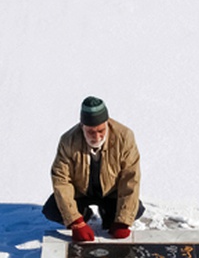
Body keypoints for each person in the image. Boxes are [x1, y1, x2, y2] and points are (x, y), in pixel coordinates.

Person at [42, 96, 145, 242]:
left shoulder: (125, 137)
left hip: (111, 192)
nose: (96, 137)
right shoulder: (68, 141)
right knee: (52, 210)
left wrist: (123, 220)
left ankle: (107, 213)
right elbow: (61, 180)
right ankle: (84, 214)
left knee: (136, 210)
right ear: (82, 126)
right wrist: (75, 221)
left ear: (107, 123)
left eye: (101, 131)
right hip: (81, 192)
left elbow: (130, 178)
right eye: (91, 132)